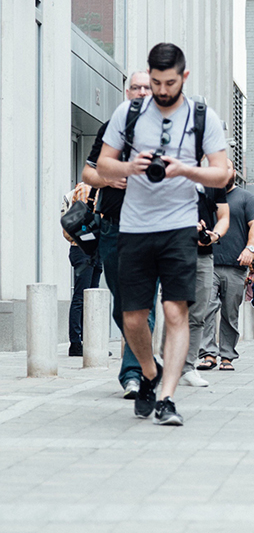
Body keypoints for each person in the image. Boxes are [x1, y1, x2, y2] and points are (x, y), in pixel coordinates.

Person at [97, 43, 229, 425]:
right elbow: (103, 163)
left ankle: (167, 397)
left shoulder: (202, 116)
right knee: (133, 317)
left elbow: (222, 173)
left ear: (183, 77)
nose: (161, 90)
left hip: (179, 226)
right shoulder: (130, 112)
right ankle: (150, 374)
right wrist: (129, 167)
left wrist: (185, 170)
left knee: (175, 311)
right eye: (155, 82)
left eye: (169, 82)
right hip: (135, 226)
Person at [82, 71, 152, 398]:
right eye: (135, 87)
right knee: (122, 304)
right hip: (112, 226)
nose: (140, 92)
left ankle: (134, 373)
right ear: (127, 92)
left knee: (144, 303)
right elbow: (87, 173)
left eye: (146, 88)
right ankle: (141, 360)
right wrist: (108, 180)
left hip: (150, 228)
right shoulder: (111, 129)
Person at [197, 160, 254, 371]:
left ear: (234, 172)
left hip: (236, 265)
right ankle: (208, 354)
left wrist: (250, 249)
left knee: (229, 312)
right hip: (208, 262)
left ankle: (227, 355)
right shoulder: (205, 196)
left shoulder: (246, 198)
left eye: (227, 168)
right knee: (206, 308)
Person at [180, 177, 230, 386]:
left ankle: (188, 368)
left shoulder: (212, 181)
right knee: (175, 310)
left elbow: (224, 216)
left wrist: (213, 235)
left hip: (203, 253)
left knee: (199, 312)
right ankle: (169, 364)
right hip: (174, 250)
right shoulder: (169, 172)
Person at [61, 182, 104, 357]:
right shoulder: (88, 188)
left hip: (92, 249)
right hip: (83, 249)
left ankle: (89, 342)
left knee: (91, 298)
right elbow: (87, 220)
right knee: (81, 297)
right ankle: (76, 344)